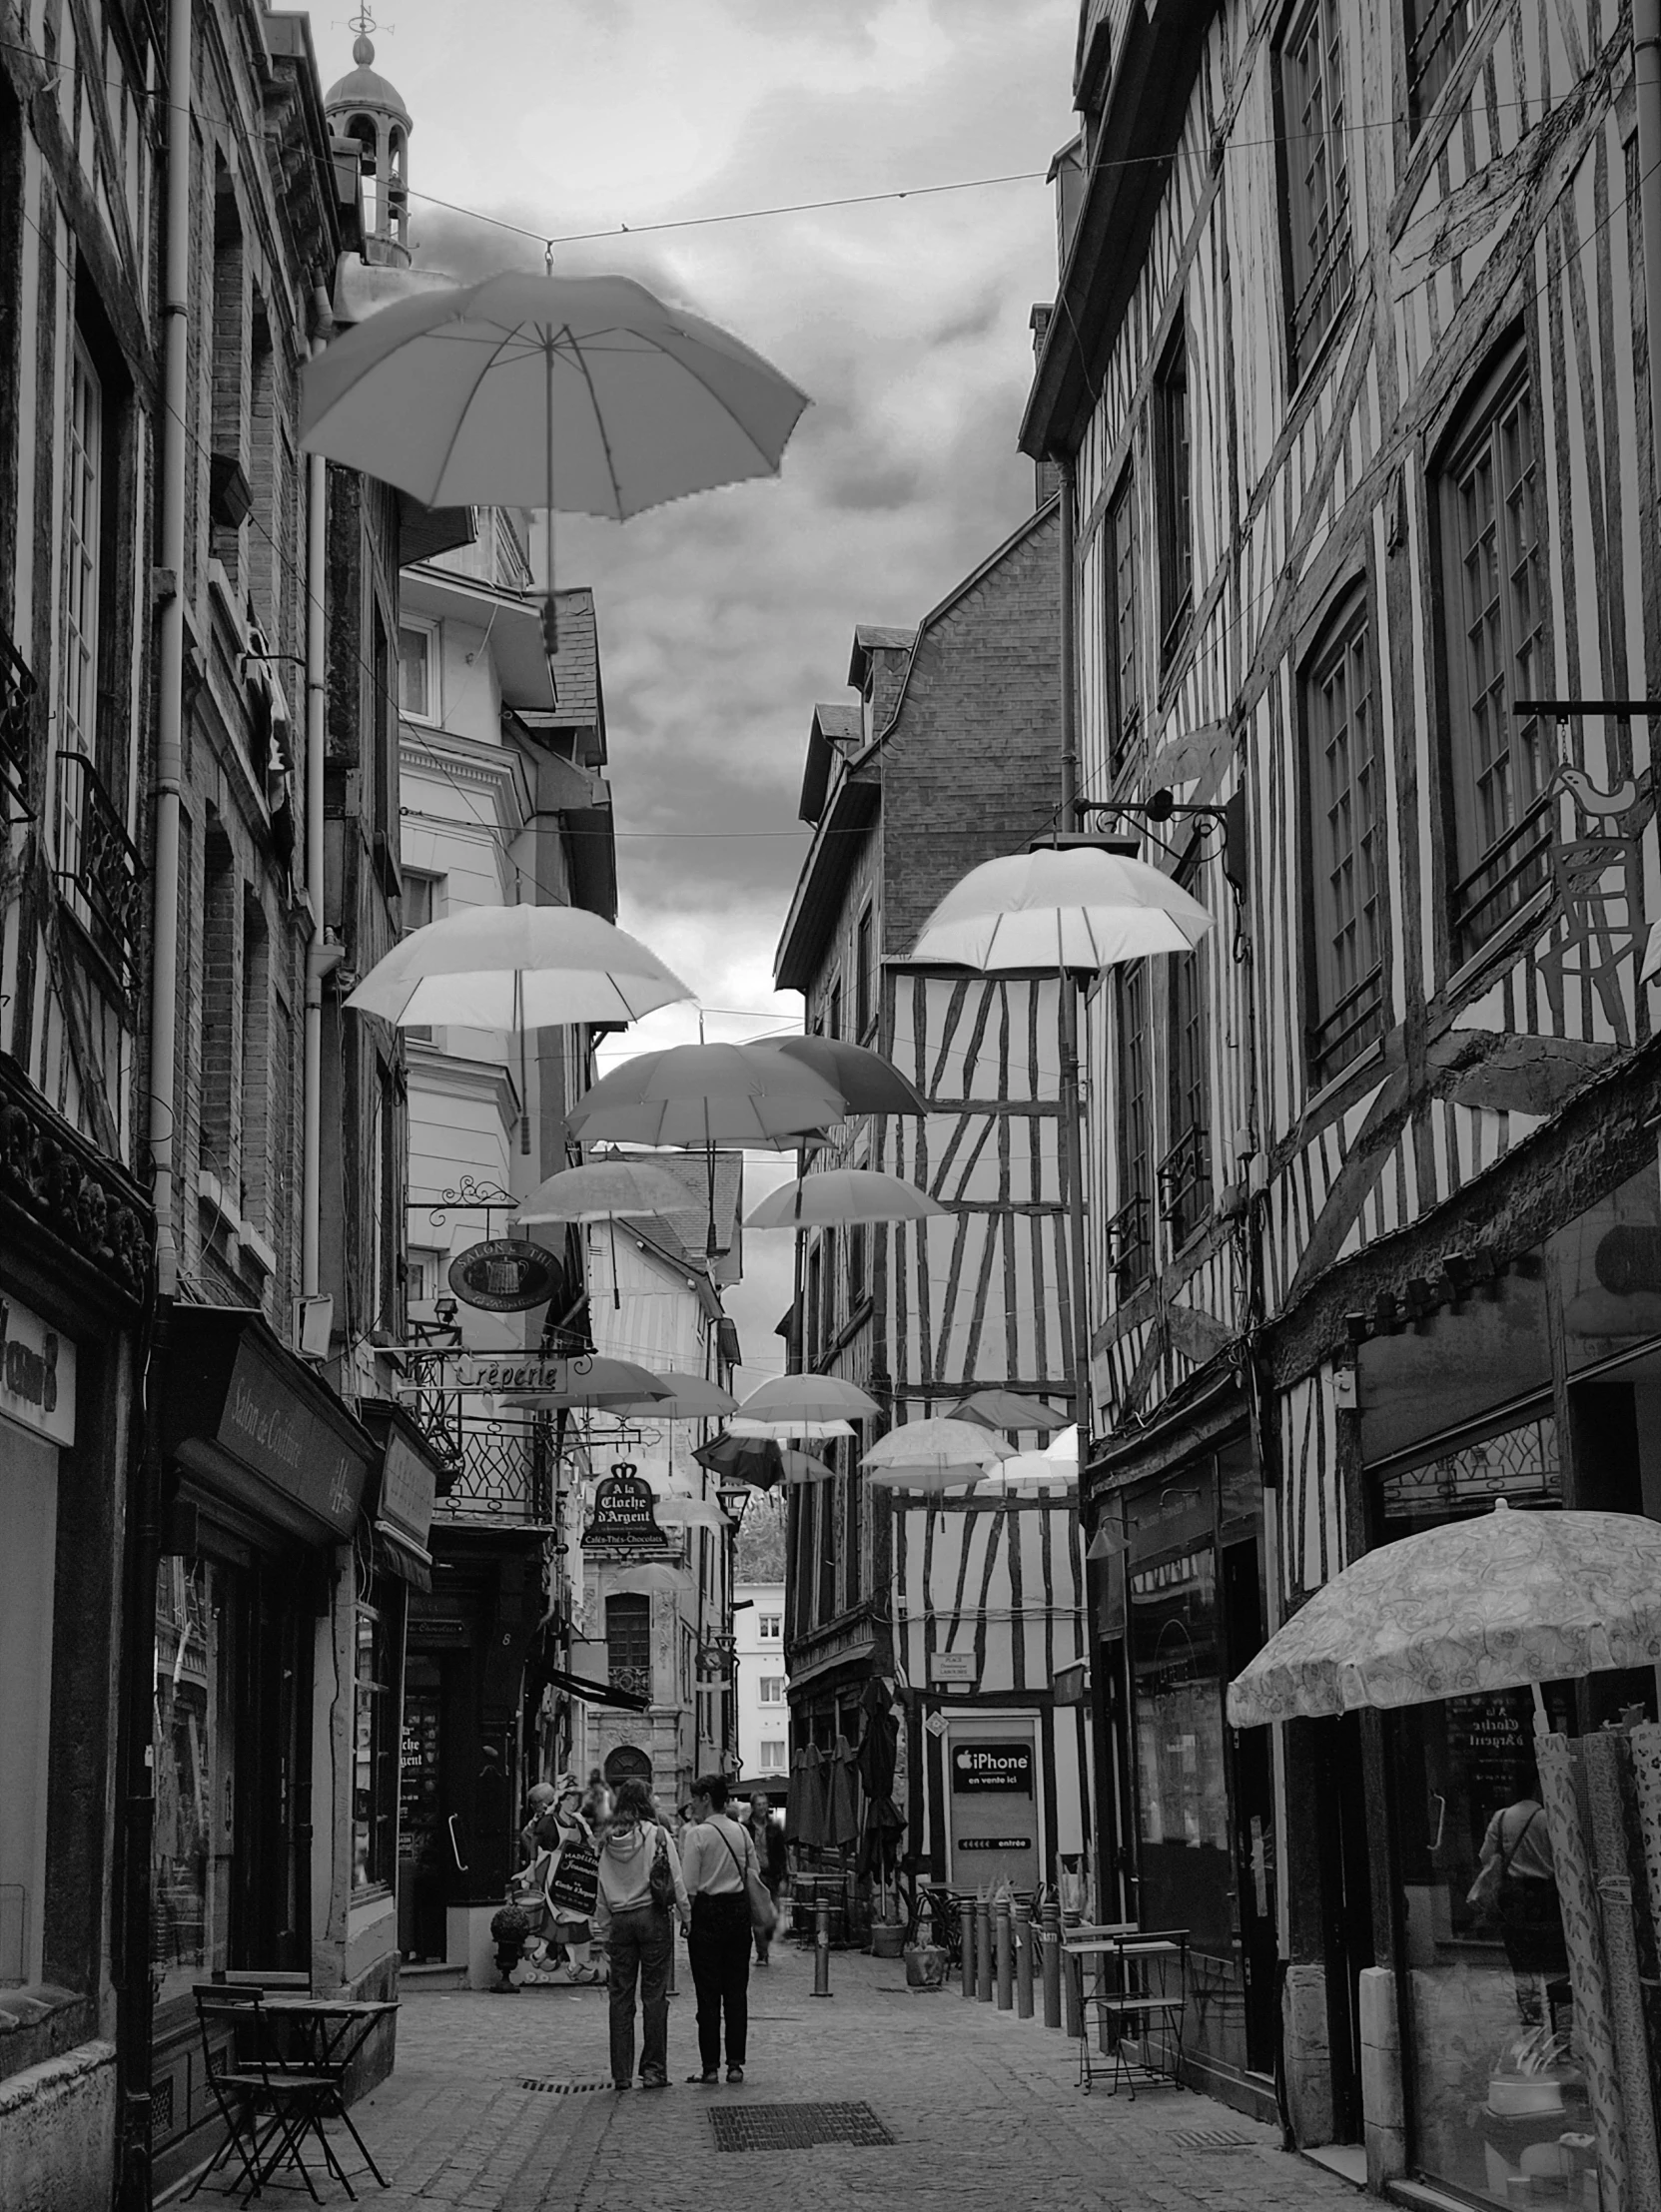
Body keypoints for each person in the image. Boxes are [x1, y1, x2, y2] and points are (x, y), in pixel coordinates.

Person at [592, 1777, 688, 2091]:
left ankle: (621, 2074)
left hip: (620, 1920)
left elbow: (600, 1893)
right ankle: (653, 2071)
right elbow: (675, 1881)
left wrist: (606, 1930)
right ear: (646, 1803)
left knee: (620, 1998)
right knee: (654, 1996)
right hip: (652, 1917)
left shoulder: (606, 1843)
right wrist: (686, 1916)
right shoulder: (658, 1835)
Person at [679, 1774, 762, 2083]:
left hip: (708, 1914)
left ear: (704, 1799)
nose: (692, 1808)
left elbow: (689, 1886)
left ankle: (710, 2067)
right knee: (736, 1992)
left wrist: (686, 1921)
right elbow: (754, 1873)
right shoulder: (741, 1832)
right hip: (738, 1913)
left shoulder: (697, 1835)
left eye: (694, 1800)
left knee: (708, 1995)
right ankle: (736, 2064)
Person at [1470, 1789, 1567, 2016]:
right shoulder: (1549, 1817)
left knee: (1522, 1962)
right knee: (1554, 1961)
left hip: (1514, 1897)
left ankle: (1530, 2014)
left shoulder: (1502, 1817)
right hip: (1548, 1896)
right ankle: (1558, 2014)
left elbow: (1485, 1856)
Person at [740, 1794, 787, 1966]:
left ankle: (764, 1946)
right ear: (753, 1806)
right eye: (759, 1804)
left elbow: (782, 1854)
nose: (762, 1807)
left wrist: (783, 1877)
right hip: (753, 1875)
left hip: (771, 1874)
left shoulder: (774, 1828)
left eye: (764, 1804)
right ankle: (762, 1952)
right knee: (756, 1915)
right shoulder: (745, 1828)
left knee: (769, 1915)